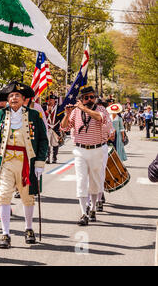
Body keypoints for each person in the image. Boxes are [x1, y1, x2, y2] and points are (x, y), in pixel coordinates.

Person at [0, 81, 48, 249]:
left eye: (17, 96)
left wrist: (39, 162)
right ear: (7, 99)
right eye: (11, 95)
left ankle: (29, 228)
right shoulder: (0, 115)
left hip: (26, 161)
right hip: (6, 160)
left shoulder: (35, 115)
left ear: (24, 99)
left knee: (27, 197)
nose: (14, 98)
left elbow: (43, 140)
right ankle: (5, 233)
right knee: (3, 196)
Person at [61, 86, 109, 225]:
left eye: (92, 97)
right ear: (81, 99)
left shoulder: (100, 109)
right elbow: (64, 127)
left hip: (97, 149)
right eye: (86, 97)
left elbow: (101, 119)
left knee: (95, 181)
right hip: (80, 150)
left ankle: (93, 207)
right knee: (81, 181)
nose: (89, 99)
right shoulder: (76, 111)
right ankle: (83, 213)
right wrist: (67, 114)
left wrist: (84, 108)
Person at [43, 94, 61, 164]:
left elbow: (61, 117)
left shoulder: (59, 107)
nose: (51, 101)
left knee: (55, 143)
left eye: (52, 100)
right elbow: (42, 116)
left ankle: (54, 157)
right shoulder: (44, 107)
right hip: (47, 127)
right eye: (49, 100)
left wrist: (61, 127)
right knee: (47, 143)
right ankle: (47, 157)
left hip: (55, 127)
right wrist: (47, 111)